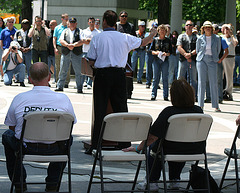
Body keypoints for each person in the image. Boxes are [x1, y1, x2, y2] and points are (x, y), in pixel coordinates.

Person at [86, 10, 157, 154]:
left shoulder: (98, 38)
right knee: (121, 109)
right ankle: (124, 143)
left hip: (103, 74)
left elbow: (91, 60)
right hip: (119, 75)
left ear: (104, 21)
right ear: (115, 21)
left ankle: (96, 145)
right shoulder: (124, 37)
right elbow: (143, 42)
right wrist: (153, 33)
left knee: (100, 110)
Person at [2, 62, 77, 193]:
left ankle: (19, 183)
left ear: (30, 79)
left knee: (7, 136)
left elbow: (12, 127)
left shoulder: (19, 98)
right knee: (67, 138)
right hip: (54, 147)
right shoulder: (63, 99)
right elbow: (70, 125)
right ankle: (53, 183)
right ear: (49, 77)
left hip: (25, 147)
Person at [123, 78, 204, 191]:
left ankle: (152, 181)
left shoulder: (169, 112)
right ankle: (175, 179)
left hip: (170, 149)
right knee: (181, 143)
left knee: (155, 147)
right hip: (194, 149)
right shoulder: (199, 111)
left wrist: (138, 147)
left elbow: (152, 137)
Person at [196, 21, 221, 112]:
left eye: (209, 27)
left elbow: (218, 50)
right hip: (202, 60)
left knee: (213, 82)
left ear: (212, 28)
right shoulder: (200, 38)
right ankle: (200, 105)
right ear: (203, 28)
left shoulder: (217, 38)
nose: (208, 28)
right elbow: (198, 49)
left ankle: (216, 105)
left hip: (212, 60)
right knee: (201, 82)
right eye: (206, 27)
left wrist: (215, 58)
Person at [55, 17, 85, 93]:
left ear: (76, 23)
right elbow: (61, 40)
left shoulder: (80, 31)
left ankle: (79, 87)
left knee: (78, 72)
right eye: (71, 22)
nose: (72, 24)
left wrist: (74, 45)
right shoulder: (65, 31)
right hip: (66, 53)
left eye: (73, 22)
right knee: (63, 70)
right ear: (68, 23)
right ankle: (60, 86)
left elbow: (82, 41)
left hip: (77, 53)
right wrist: (68, 45)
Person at [205, 24, 229, 104]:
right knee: (207, 80)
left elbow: (226, 51)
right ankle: (208, 97)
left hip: (217, 62)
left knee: (218, 80)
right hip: (208, 61)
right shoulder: (207, 38)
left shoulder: (220, 39)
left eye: (214, 29)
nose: (213, 31)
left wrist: (221, 59)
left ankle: (219, 97)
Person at [116, 10, 136, 99]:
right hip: (117, 53)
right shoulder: (116, 26)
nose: (124, 18)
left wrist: (130, 49)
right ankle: (117, 90)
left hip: (127, 53)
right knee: (117, 72)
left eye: (126, 16)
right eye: (122, 16)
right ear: (119, 17)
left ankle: (129, 92)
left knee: (128, 73)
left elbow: (134, 39)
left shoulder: (130, 26)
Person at [150, 24, 172, 101]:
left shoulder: (168, 40)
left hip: (165, 60)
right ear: (158, 31)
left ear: (166, 32)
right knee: (156, 77)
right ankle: (153, 94)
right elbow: (151, 50)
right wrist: (156, 52)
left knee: (165, 78)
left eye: (163, 30)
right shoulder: (155, 40)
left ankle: (165, 95)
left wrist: (166, 54)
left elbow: (171, 52)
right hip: (156, 60)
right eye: (160, 30)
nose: (162, 31)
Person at [177, 20, 198, 99]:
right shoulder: (181, 36)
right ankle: (178, 96)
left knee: (193, 80)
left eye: (190, 25)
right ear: (185, 27)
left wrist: (191, 54)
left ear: (193, 27)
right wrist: (186, 54)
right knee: (180, 78)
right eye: (187, 25)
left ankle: (193, 96)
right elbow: (179, 47)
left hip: (193, 60)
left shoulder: (196, 37)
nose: (188, 27)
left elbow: (198, 48)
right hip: (183, 60)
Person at [81, 17, 100, 89]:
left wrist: (88, 40)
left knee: (92, 68)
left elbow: (97, 42)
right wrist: (91, 40)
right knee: (84, 68)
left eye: (93, 22)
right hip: (85, 51)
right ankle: (82, 82)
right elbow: (83, 40)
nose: (91, 23)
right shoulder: (84, 31)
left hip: (94, 53)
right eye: (90, 22)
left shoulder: (98, 32)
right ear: (88, 23)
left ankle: (89, 83)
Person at [221, 23, 238, 101]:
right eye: (225, 29)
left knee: (229, 76)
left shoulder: (232, 38)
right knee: (221, 76)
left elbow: (235, 43)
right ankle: (221, 91)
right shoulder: (222, 38)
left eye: (228, 29)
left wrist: (231, 35)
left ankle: (229, 92)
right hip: (222, 58)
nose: (226, 30)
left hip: (230, 58)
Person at [53, 13, 70, 85]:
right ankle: (58, 81)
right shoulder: (57, 28)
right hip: (59, 47)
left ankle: (66, 82)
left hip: (66, 47)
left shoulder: (69, 28)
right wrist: (55, 48)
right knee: (58, 65)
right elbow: (54, 38)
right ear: (62, 19)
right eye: (66, 19)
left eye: (67, 19)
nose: (67, 21)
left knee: (67, 65)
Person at [145, 22, 158, 89]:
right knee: (148, 68)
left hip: (155, 53)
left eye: (156, 28)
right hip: (149, 53)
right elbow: (146, 41)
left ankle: (156, 83)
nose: (154, 29)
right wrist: (151, 35)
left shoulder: (158, 36)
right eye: (154, 28)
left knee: (155, 69)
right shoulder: (148, 34)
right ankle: (148, 82)